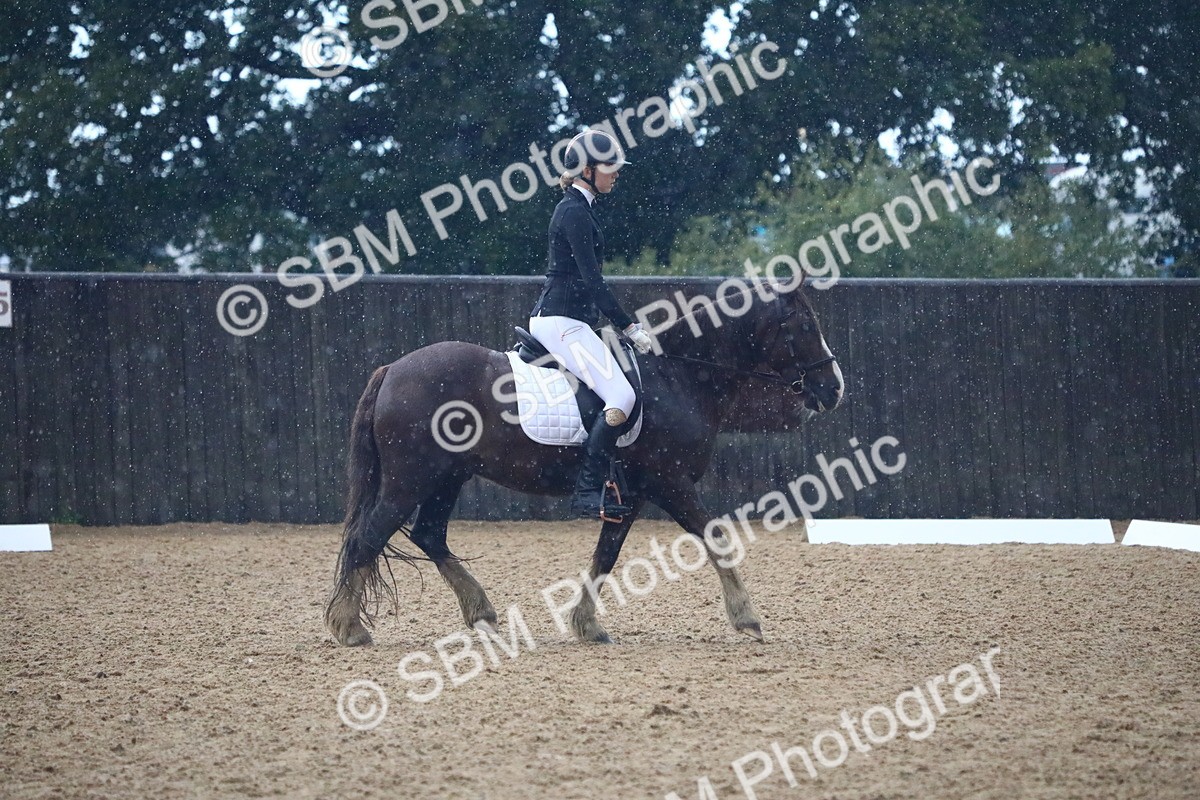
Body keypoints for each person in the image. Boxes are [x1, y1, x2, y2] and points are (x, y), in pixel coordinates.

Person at [529, 129, 654, 519]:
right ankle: (587, 491)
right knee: (623, 397)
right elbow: (593, 282)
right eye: (609, 167)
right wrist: (628, 327)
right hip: (563, 322)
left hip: (570, 320)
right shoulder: (573, 212)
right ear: (586, 169)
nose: (615, 173)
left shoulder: (580, 208)